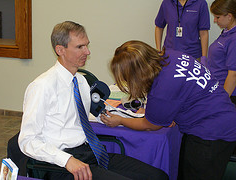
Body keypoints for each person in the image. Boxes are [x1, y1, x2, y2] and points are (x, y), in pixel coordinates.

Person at [18, 21, 169, 180]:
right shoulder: (42, 87)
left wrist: (150, 116)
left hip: (89, 153)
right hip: (60, 164)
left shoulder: (81, 82)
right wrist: (67, 160)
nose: (88, 52)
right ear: (60, 50)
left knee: (158, 176)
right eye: (80, 47)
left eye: (87, 45)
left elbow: (93, 114)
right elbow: (27, 140)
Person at [100, 40, 236, 180]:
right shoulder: (172, 55)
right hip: (224, 115)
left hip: (211, 135)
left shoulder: (162, 90)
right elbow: (184, 91)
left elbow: (150, 125)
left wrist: (121, 120)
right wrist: (164, 114)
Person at [205, 0, 236, 105]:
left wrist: (222, 101)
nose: (214, 20)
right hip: (217, 89)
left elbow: (233, 74)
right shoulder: (226, 32)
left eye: (217, 17)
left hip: (228, 95)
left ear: (229, 16)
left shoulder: (234, 38)